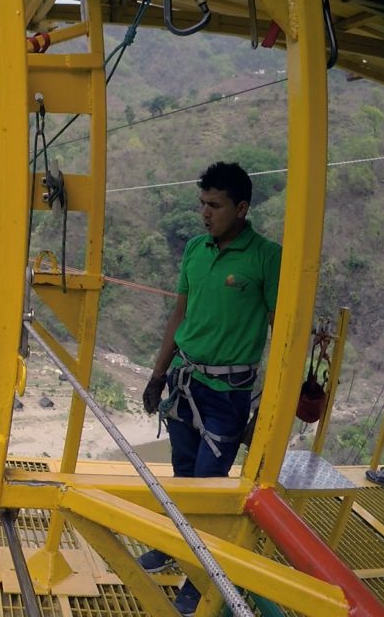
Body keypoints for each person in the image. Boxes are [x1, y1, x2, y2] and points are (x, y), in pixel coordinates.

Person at [140, 162, 282, 616]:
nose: (205, 213)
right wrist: (158, 373)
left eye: (214, 205)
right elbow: (179, 315)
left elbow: (285, 330)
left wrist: (272, 409)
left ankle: (198, 580)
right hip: (185, 383)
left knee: (209, 486)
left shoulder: (265, 258)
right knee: (183, 477)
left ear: (241, 208)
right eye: (202, 204)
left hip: (226, 395)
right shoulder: (196, 250)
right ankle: (171, 546)